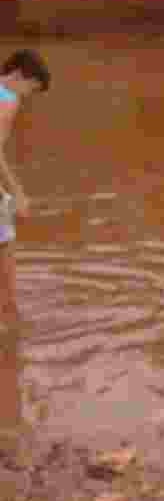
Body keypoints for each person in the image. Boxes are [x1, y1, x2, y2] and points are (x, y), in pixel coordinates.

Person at [0, 49, 51, 325]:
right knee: (5, 252)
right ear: (20, 76)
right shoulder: (9, 101)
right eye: (31, 88)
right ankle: (11, 325)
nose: (28, 96)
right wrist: (17, 191)